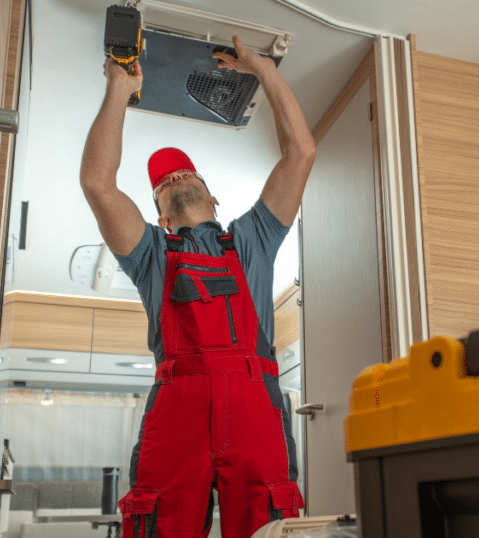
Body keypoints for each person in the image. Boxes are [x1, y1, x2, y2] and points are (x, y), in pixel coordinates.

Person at [79, 35, 317, 538]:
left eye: (186, 173)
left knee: (269, 531)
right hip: (177, 412)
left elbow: (301, 153)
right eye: (163, 182)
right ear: (161, 218)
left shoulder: (253, 239)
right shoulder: (150, 256)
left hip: (255, 405)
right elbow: (99, 183)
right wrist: (120, 87)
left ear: (213, 197)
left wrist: (263, 71)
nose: (174, 176)